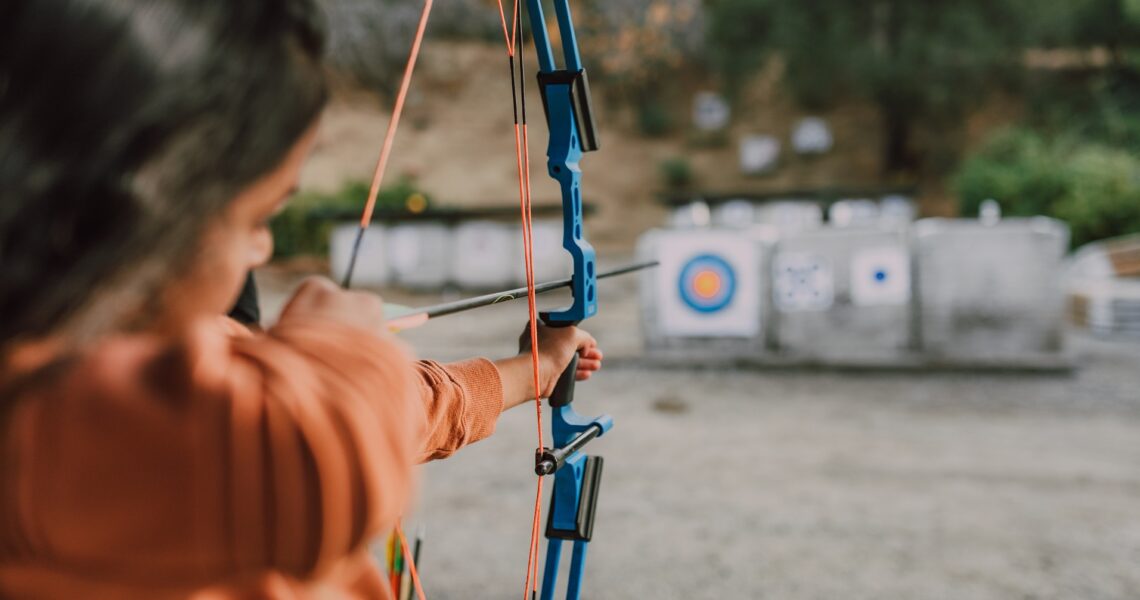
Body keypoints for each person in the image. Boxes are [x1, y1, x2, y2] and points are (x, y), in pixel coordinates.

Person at [0, 1, 603, 597]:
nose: (261, 252)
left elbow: (395, 411)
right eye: (257, 218)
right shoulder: (53, 410)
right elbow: (319, 444)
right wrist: (337, 343)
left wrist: (534, 371)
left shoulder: (166, 364)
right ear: (141, 209)